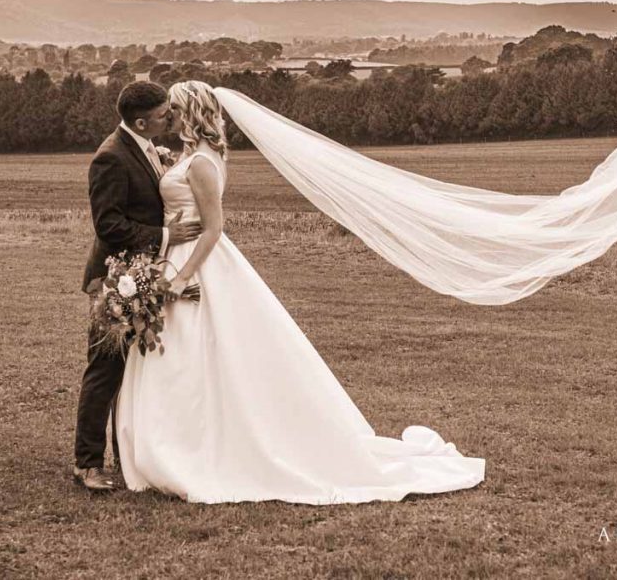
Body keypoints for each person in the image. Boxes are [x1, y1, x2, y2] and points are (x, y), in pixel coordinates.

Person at [115, 81, 486, 503]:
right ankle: (178, 440)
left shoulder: (200, 162)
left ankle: (197, 447)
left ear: (191, 112)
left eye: (175, 111)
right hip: (179, 254)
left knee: (197, 355)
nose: (169, 118)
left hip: (195, 264)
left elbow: (214, 229)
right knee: (189, 356)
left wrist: (180, 280)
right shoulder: (193, 156)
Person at [73, 81, 202, 492]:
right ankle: (87, 464)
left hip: (144, 274)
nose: (171, 119)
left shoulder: (146, 147)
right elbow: (108, 225)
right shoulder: (110, 158)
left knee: (136, 373)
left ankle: (127, 456)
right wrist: (165, 236)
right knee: (105, 370)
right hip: (115, 279)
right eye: (165, 114)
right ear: (142, 121)